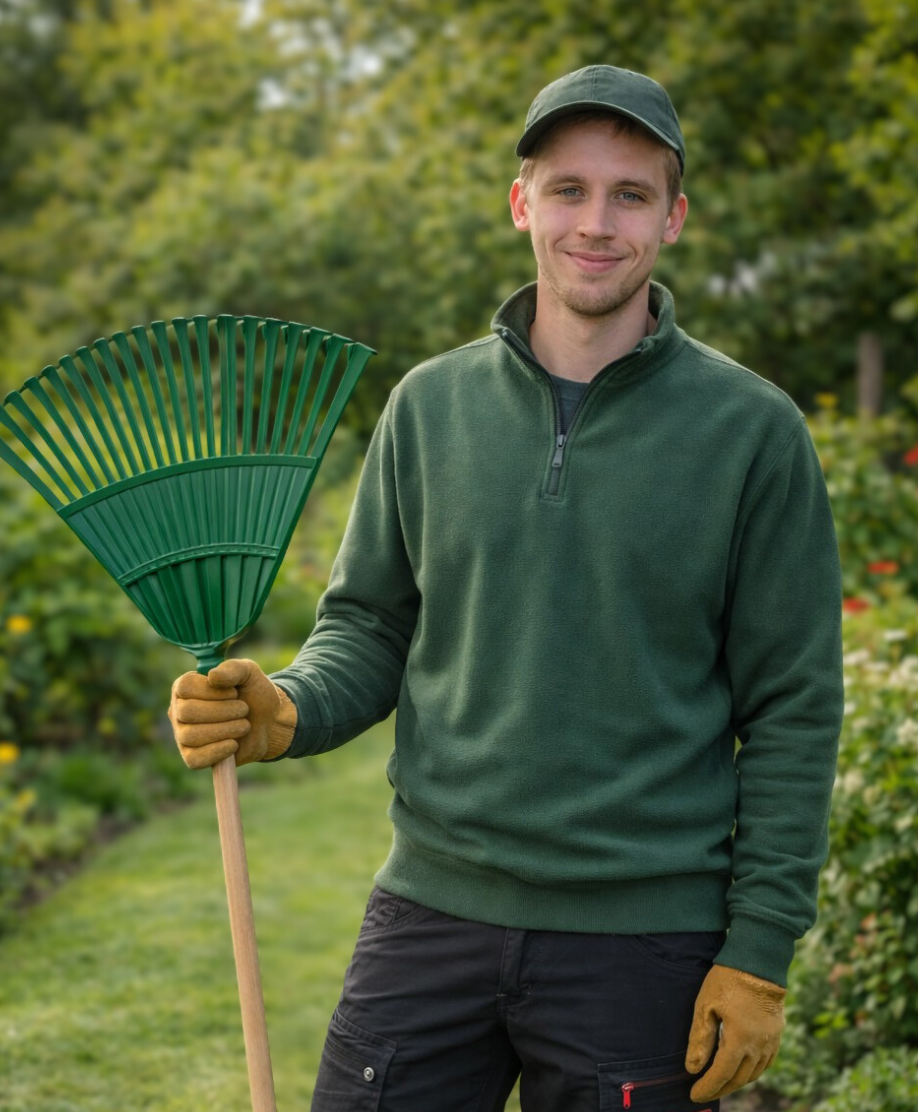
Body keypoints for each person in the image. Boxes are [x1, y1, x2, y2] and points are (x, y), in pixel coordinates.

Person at [168, 65, 842, 1111]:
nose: (595, 221)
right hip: (430, 912)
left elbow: (793, 710)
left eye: (629, 193)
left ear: (672, 218)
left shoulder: (750, 433)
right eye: (567, 188)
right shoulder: (428, 407)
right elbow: (370, 625)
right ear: (520, 202)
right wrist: (285, 707)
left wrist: (755, 952)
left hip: (642, 940)